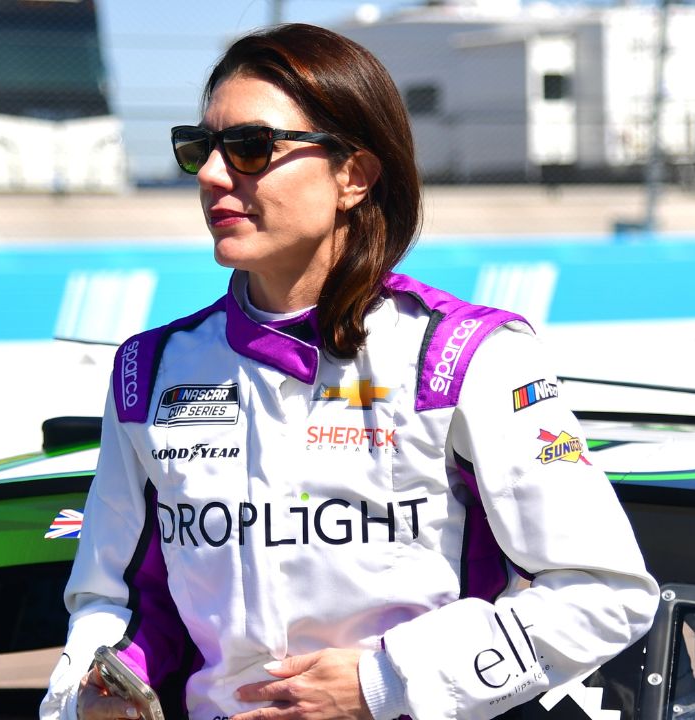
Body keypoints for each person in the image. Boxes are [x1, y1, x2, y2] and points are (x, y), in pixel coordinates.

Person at [40, 23, 658, 720]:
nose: (213, 174)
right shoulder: (147, 374)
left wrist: (383, 682)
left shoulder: (465, 357)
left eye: (250, 147)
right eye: (200, 147)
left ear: (354, 175)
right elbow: (108, 602)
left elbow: (605, 594)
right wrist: (89, 695)